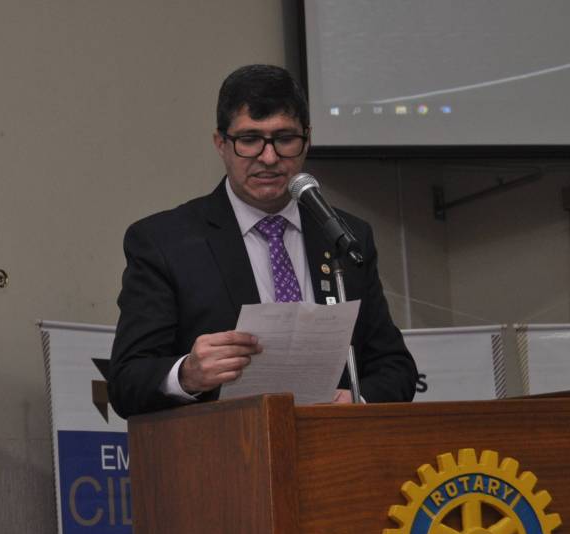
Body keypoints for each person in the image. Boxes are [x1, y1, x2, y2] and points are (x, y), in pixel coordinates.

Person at [108, 64, 416, 418]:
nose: (269, 158)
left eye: (284, 139)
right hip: (224, 445)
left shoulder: (343, 236)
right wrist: (187, 374)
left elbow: (395, 368)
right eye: (250, 140)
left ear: (307, 140)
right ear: (221, 144)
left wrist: (357, 401)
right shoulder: (165, 242)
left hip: (333, 441)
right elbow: (126, 382)